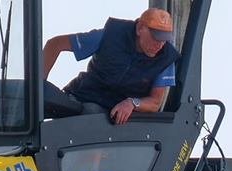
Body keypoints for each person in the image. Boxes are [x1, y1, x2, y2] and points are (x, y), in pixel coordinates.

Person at [42, 8, 179, 124]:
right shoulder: (109, 35)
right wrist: (38, 88)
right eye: (156, 37)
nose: (160, 45)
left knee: (93, 115)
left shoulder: (166, 59)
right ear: (139, 28)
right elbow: (54, 45)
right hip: (80, 98)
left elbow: (155, 102)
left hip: (112, 118)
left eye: (164, 40)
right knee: (32, 106)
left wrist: (132, 103)